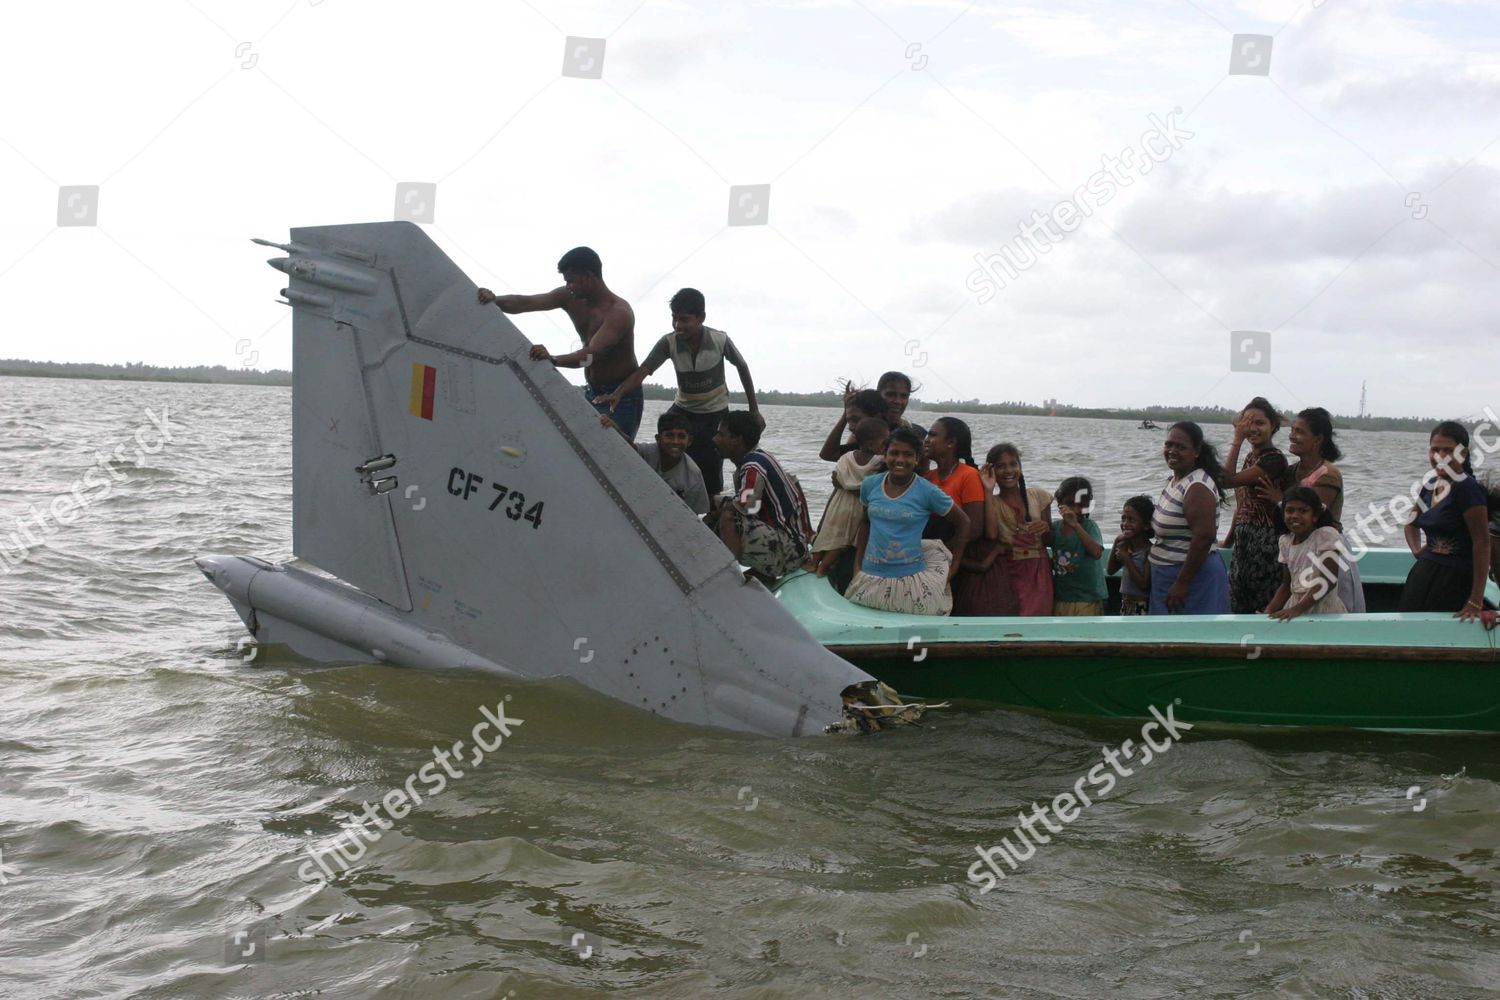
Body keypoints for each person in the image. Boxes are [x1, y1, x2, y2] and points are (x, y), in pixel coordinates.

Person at [593, 288, 760, 494]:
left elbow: (742, 367)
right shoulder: (669, 342)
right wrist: (618, 393)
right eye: (674, 319)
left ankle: (714, 508)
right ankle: (661, 492)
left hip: (714, 413)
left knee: (711, 463)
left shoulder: (720, 340)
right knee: (664, 447)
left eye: (684, 319)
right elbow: (643, 371)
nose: (678, 325)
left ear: (701, 318)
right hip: (683, 409)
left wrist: (754, 410)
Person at [477, 247, 643, 440]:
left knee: (616, 455)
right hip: (591, 391)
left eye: (571, 280)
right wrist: (495, 300)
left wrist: (553, 359)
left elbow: (591, 355)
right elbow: (526, 303)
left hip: (620, 396)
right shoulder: (569, 296)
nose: (568, 286)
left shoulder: (618, 312)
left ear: (588, 276)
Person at [846, 428, 969, 615]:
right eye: (894, 453)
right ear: (884, 455)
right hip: (869, 576)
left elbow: (964, 523)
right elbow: (865, 522)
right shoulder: (870, 485)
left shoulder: (928, 491)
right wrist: (858, 564)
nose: (900, 460)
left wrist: (954, 567)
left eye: (908, 454)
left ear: (917, 459)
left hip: (910, 579)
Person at [1258, 407, 1365, 613]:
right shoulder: (1291, 472)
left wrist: (1278, 500)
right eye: (1292, 430)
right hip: (1298, 551)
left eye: (1299, 432)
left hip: (1325, 552)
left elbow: (1314, 515)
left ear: (1317, 439)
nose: (1292, 436)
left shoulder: (1328, 475)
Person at [1398, 422, 1493, 621]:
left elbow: (1482, 543)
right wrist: (1416, 549)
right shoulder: (1430, 485)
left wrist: (1476, 600)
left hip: (1455, 579)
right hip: (1423, 573)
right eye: (1435, 449)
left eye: (1448, 450)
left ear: (1463, 454)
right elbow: (1410, 523)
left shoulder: (1467, 489)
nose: (1439, 456)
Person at [708, 411, 812, 585]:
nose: (715, 439)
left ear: (737, 439)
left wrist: (713, 517)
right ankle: (759, 572)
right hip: (795, 545)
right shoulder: (760, 458)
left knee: (728, 516)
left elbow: (747, 506)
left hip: (789, 551)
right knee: (718, 503)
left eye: (721, 435)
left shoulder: (753, 465)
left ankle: (730, 579)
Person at [1149, 422, 1231, 614]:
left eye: (1181, 447)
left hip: (1191, 580)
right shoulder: (1176, 480)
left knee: (1191, 640)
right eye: (1168, 445)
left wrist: (1182, 583)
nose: (1172, 451)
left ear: (1196, 451)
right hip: (1168, 576)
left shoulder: (1197, 487)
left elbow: (1204, 538)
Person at [1223, 398, 1288, 613]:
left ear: (1273, 426)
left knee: (1260, 608)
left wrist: (1237, 440)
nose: (1253, 429)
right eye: (1247, 423)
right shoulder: (1251, 457)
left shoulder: (1274, 460)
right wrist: (1228, 541)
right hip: (1244, 543)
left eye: (1259, 423)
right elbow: (1242, 505)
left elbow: (1226, 480)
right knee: (1239, 605)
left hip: (1266, 543)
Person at [980, 443, 1054, 616]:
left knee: (1038, 620)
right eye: (1000, 466)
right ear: (992, 471)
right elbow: (991, 534)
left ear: (1020, 467)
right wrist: (988, 490)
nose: (1008, 471)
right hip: (1010, 571)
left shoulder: (1039, 496)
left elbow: (1050, 541)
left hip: (1039, 572)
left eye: (1013, 464)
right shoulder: (993, 503)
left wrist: (1046, 529)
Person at [809, 417, 887, 576]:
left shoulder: (847, 457)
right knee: (844, 541)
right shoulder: (879, 461)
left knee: (828, 533)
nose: (887, 447)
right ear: (871, 444)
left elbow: (838, 478)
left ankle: (813, 562)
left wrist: (843, 484)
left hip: (839, 502)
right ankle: (823, 569)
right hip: (858, 507)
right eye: (884, 443)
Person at [1266, 486, 1347, 619]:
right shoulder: (1285, 541)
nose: (1295, 516)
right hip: (1295, 606)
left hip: (1322, 608)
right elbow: (1286, 585)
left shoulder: (1326, 536)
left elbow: (1327, 581)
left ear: (1315, 516)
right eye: (1289, 511)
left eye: (1303, 511)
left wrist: (1297, 610)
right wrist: (1268, 612)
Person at [607, 410, 709, 515]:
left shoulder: (693, 475)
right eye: (669, 435)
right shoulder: (648, 452)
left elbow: (694, 514)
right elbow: (630, 447)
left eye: (681, 436)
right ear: (658, 438)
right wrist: (615, 430)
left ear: (689, 441)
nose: (675, 441)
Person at [1050, 476, 1107, 615]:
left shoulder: (1089, 527)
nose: (1075, 510)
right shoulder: (1055, 528)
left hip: (1087, 598)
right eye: (1069, 504)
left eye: (1081, 505)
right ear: (1060, 504)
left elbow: (1096, 553)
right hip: (1062, 596)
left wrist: (1076, 526)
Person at [922, 417, 985, 541]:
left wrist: (943, 554)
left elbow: (974, 529)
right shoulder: (928, 478)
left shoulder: (969, 476)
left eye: (932, 435)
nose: (926, 440)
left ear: (950, 442)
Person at [1108, 496, 1154, 616]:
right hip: (1125, 603)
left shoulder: (1149, 550)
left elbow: (1144, 584)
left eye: (1131, 520)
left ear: (1146, 525)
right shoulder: (1125, 546)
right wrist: (1117, 541)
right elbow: (1110, 570)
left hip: (1142, 604)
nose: (1125, 524)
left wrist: (1127, 559)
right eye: (1123, 519)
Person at [818, 387, 888, 461]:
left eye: (856, 420)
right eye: (848, 421)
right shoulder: (861, 446)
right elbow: (827, 455)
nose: (850, 427)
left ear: (876, 417)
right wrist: (844, 416)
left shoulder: (894, 442)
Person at [877, 371, 927, 439]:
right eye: (891, 395)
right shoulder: (863, 431)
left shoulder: (917, 434)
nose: (898, 401)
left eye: (904, 396)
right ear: (878, 395)